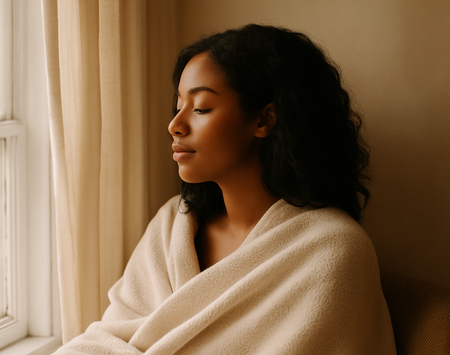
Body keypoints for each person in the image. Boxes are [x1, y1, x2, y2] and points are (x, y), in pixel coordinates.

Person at [54, 24, 396, 354]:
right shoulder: (173, 222)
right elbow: (109, 336)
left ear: (264, 119)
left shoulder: (332, 250)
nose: (175, 125)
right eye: (178, 106)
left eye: (200, 107)